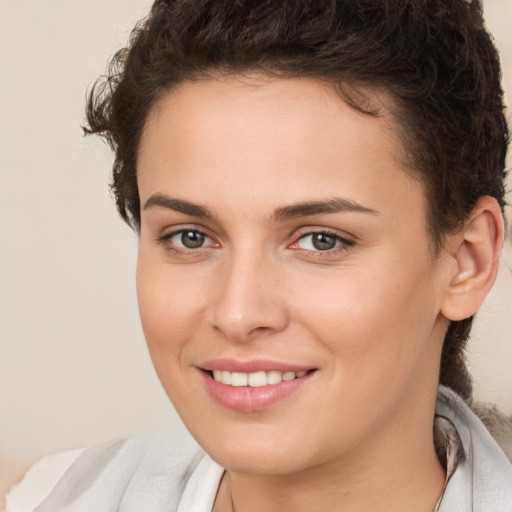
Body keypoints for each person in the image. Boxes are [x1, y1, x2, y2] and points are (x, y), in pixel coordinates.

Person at [5, 0, 512, 510]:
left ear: (467, 261)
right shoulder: (53, 497)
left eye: (321, 240)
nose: (237, 313)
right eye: (190, 237)